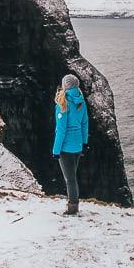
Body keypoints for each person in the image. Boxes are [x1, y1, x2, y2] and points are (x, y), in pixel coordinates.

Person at [52, 73, 89, 215]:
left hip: (65, 147)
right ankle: (73, 204)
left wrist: (56, 150)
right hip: (78, 145)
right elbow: (85, 123)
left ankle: (73, 208)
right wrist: (85, 143)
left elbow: (61, 130)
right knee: (73, 177)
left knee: (70, 179)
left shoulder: (63, 103)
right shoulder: (81, 101)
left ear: (65, 86)